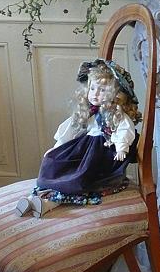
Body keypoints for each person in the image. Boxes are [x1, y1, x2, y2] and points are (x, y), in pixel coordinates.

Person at [16, 59, 140, 218]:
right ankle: (32, 199)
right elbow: (71, 129)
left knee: (81, 178)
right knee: (55, 162)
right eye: (92, 88)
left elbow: (125, 129)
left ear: (114, 93)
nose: (95, 93)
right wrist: (58, 146)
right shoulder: (88, 111)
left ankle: (48, 203)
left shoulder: (115, 114)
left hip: (102, 154)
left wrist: (122, 147)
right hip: (84, 147)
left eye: (102, 90)